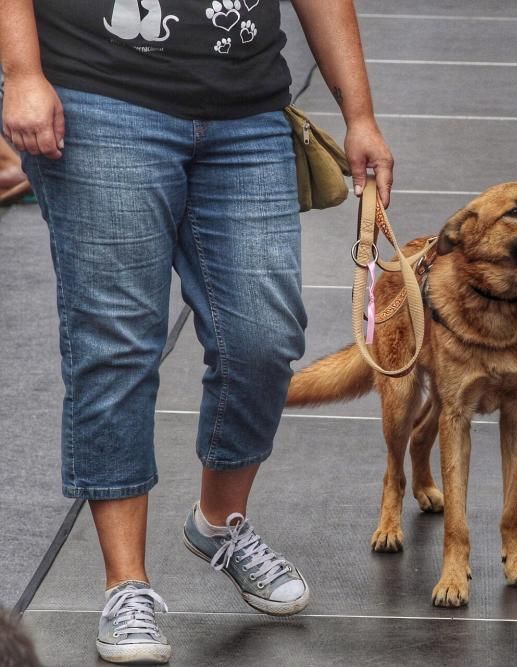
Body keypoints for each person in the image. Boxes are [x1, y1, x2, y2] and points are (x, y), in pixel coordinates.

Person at [0, 0, 393, 663]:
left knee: (264, 335)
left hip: (245, 107)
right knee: (117, 342)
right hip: (99, 91)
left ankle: (219, 522)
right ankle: (126, 584)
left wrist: (359, 114)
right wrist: (21, 72)